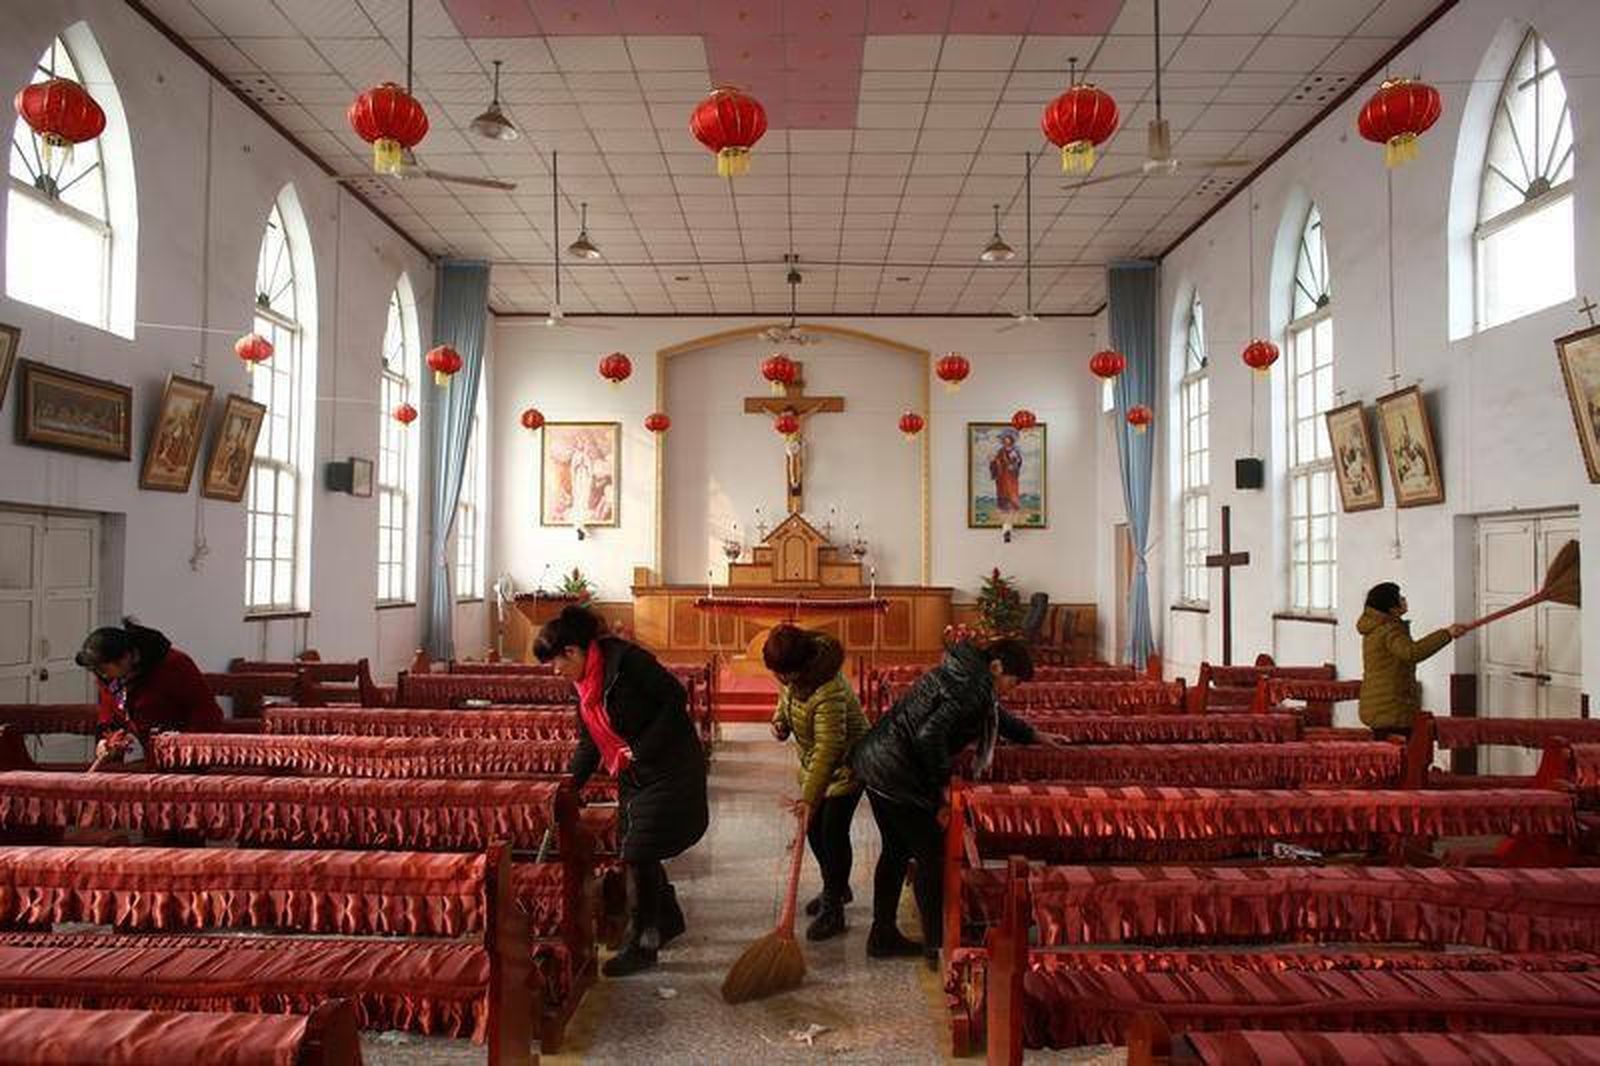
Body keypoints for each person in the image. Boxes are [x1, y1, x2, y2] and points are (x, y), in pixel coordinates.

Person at [849, 637, 1061, 964]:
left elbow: (993, 714)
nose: (1011, 689)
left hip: (877, 763)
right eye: (1013, 681)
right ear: (997, 667)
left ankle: (884, 935)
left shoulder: (966, 675)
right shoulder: (972, 688)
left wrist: (1033, 735)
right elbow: (928, 736)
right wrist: (944, 784)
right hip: (896, 772)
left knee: (895, 851)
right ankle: (938, 944)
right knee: (931, 856)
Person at [535, 605, 709, 977]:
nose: (556, 672)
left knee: (638, 851)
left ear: (573, 651)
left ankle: (643, 942)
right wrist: (569, 786)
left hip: (670, 764)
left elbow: (674, 698)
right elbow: (590, 742)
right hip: (634, 772)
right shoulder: (583, 686)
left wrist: (643, 746)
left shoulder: (627, 662)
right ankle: (669, 917)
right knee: (636, 846)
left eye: (556, 663)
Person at [765, 624, 869, 941]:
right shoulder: (796, 676)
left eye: (784, 674)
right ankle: (836, 888)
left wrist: (809, 799)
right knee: (815, 833)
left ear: (800, 668)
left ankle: (834, 908)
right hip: (819, 768)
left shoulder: (829, 690)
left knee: (832, 834)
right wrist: (779, 722)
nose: (780, 680)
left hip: (847, 767)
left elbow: (828, 749)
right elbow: (786, 699)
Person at [75, 618, 224, 763]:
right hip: (139, 753)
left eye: (102, 669)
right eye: (95, 670)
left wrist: (185, 754)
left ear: (125, 658)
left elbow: (205, 713)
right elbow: (109, 713)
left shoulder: (174, 665)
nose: (101, 675)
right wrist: (106, 741)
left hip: (181, 753)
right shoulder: (108, 676)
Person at [1357, 582, 1466, 740]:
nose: (1404, 599)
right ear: (1391, 607)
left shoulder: (1378, 627)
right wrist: (1447, 634)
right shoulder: (1389, 630)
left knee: (1392, 757)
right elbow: (1412, 652)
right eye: (1400, 598)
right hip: (1390, 706)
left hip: (1382, 705)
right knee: (1401, 758)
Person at [989, 429, 1023, 513]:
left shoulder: (1014, 450)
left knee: (1010, 489)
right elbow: (997, 460)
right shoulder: (1001, 451)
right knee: (1002, 490)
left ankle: (1013, 506)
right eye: (1003, 439)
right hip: (1002, 474)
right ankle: (1003, 507)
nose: (1005, 440)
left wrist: (1014, 465)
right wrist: (993, 461)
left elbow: (1018, 461)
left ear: (1011, 439)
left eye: (1007, 438)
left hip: (1011, 475)